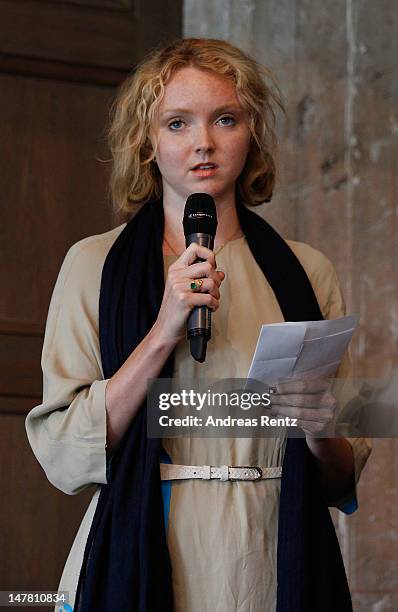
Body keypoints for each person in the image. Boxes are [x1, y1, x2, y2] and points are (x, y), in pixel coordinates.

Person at [25, 38, 371, 612]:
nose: (203, 143)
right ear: (147, 143)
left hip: (270, 551)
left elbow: (342, 473)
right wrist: (164, 328)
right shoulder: (91, 264)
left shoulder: (309, 272)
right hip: (146, 541)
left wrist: (318, 424)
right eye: (178, 123)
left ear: (251, 135)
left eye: (226, 119)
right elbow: (64, 453)